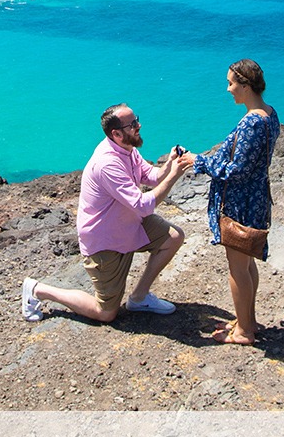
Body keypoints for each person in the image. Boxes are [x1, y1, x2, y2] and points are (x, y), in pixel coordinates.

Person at [21, 103, 195, 323]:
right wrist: (175, 175)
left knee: (173, 237)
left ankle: (139, 298)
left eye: (136, 120)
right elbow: (143, 205)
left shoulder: (127, 149)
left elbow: (151, 176)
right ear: (116, 133)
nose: (139, 125)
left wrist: (170, 164)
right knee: (105, 312)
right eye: (133, 124)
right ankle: (38, 290)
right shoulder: (107, 163)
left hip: (130, 225)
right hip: (106, 240)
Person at [192, 58, 281, 345]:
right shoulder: (270, 114)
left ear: (245, 85)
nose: (228, 89)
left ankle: (243, 331)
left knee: (237, 267)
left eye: (231, 83)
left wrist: (200, 162)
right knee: (247, 263)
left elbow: (236, 171)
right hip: (256, 197)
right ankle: (248, 321)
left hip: (240, 203)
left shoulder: (252, 122)